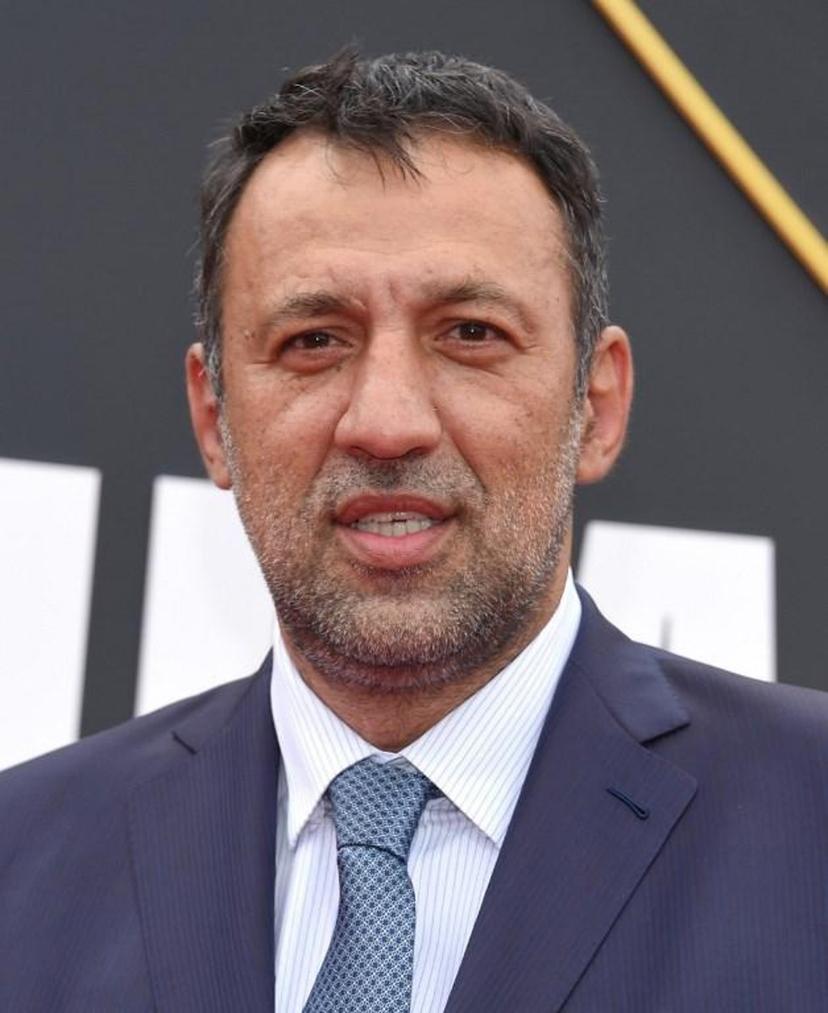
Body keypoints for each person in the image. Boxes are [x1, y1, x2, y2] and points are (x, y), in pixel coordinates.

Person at [1, 48, 827, 1013]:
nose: (387, 421)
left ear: (595, 406)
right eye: (314, 341)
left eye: (470, 333)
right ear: (214, 419)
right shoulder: (22, 866)